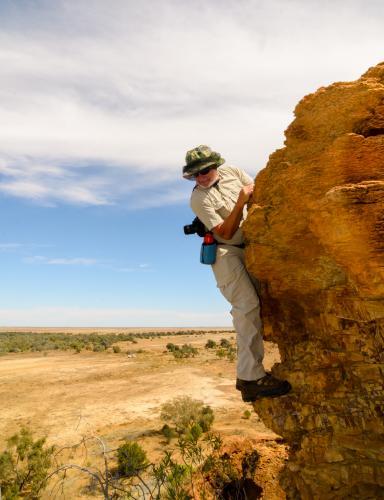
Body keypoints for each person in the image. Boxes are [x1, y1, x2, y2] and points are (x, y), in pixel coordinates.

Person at [182, 145, 291, 402]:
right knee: (246, 305)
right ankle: (250, 379)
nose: (201, 177)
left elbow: (257, 194)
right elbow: (225, 232)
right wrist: (241, 201)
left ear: (216, 166)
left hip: (250, 246)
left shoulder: (232, 172)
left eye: (205, 170)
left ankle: (250, 375)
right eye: (195, 175)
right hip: (225, 252)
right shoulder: (198, 199)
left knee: (258, 305)